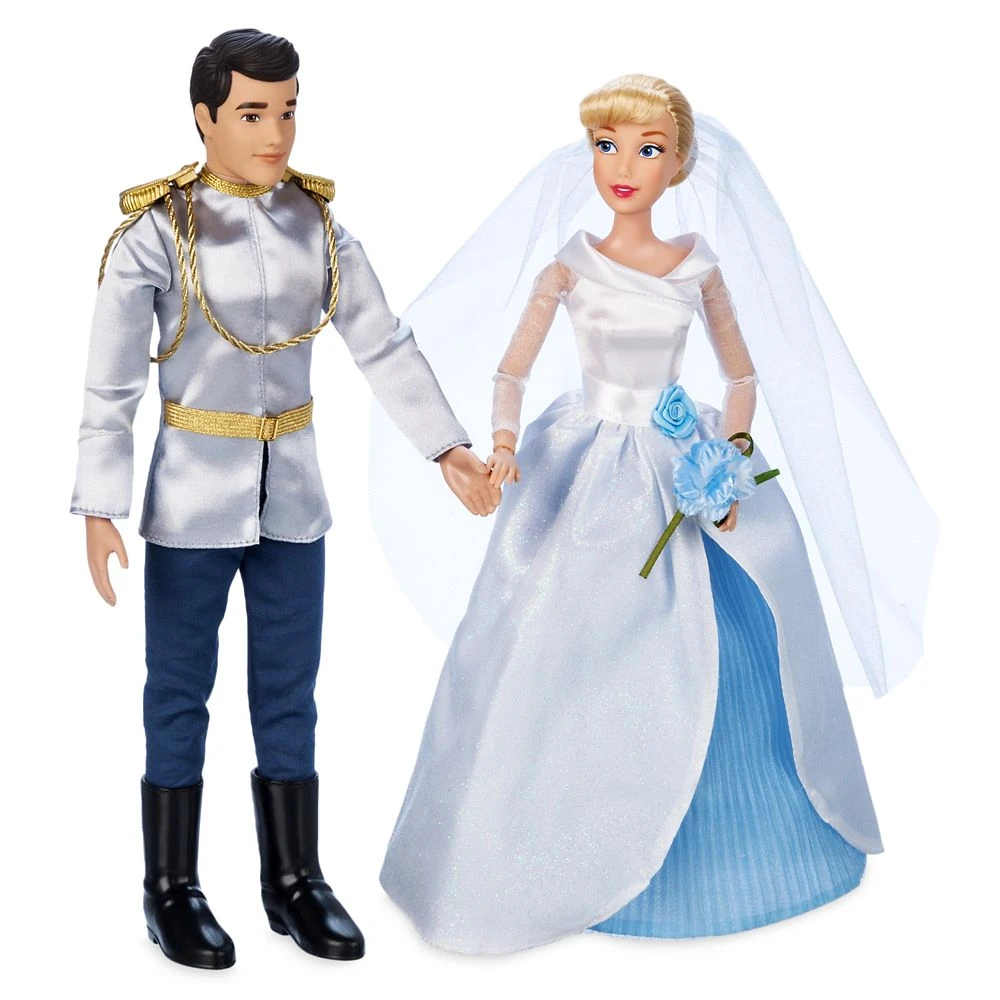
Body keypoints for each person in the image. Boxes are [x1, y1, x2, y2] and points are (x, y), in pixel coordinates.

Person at [378, 74, 936, 953]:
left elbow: (741, 374)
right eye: (608, 146)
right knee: (558, 634)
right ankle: (554, 841)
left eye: (648, 150)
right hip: (587, 461)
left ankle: (730, 839)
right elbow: (511, 369)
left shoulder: (697, 266)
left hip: (681, 455)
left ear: (677, 164)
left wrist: (730, 458)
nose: (624, 166)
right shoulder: (569, 264)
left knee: (723, 638)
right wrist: (504, 441)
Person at [71, 27, 497, 970]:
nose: (276, 134)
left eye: (289, 111)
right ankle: (170, 887)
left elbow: (382, 341)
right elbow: (111, 386)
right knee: (177, 694)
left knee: (289, 693)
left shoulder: (317, 225)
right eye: (253, 112)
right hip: (190, 501)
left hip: (293, 499)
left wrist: (448, 447)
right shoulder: (158, 233)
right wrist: (100, 507)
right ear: (205, 117)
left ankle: (293, 878)